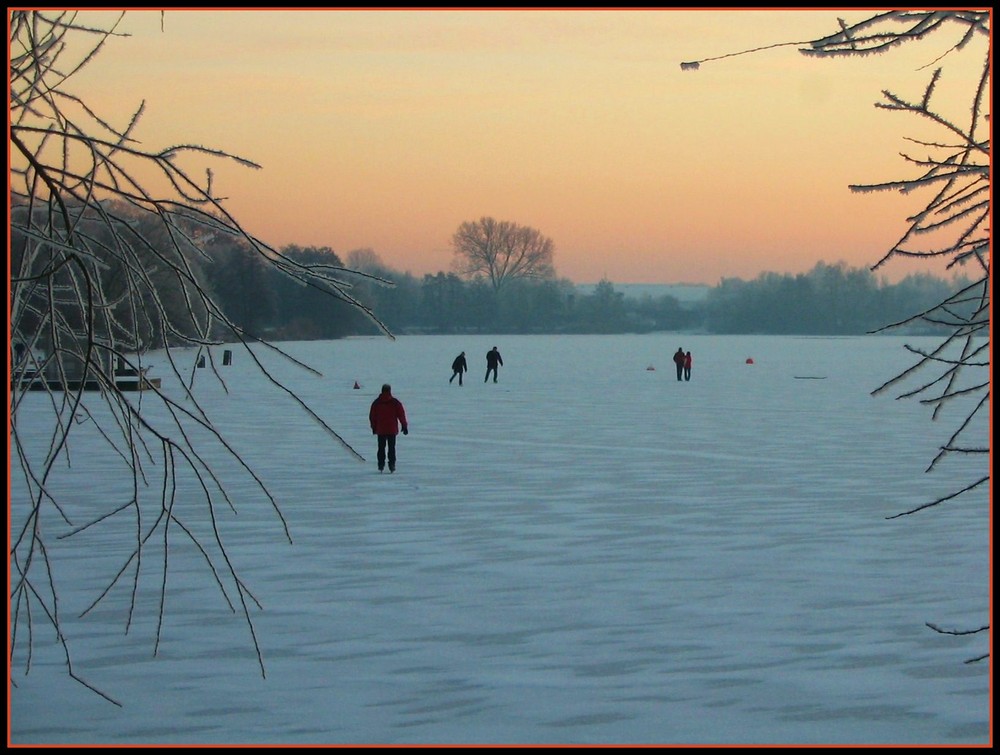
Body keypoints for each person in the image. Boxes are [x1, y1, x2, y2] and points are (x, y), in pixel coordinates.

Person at [369, 383, 408, 473]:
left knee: (381, 448)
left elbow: (372, 417)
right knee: (392, 448)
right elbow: (401, 414)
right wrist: (404, 426)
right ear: (390, 391)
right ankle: (392, 465)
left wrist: (374, 427)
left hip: (380, 429)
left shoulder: (376, 403)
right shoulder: (395, 402)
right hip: (392, 429)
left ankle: (381, 465)